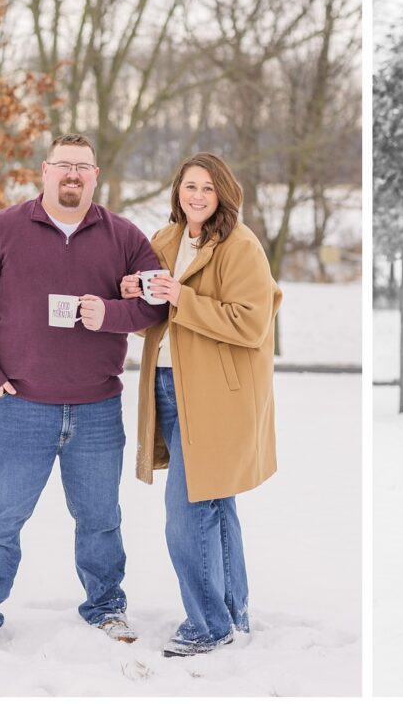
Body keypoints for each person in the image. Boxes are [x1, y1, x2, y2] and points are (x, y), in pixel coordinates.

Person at [0, 133, 168, 645]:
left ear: (95, 176)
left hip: (96, 409)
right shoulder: (1, 230)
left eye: (83, 167)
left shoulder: (125, 237)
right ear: (45, 171)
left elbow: (158, 304)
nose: (73, 174)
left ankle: (106, 606)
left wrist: (110, 313)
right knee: (1, 515)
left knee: (99, 518)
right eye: (64, 165)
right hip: (21, 406)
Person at [119, 152, 282, 657]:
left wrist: (180, 299)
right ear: (177, 191)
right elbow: (155, 319)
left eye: (207, 189)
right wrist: (135, 293)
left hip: (218, 395)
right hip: (168, 386)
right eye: (189, 186)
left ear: (223, 195)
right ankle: (231, 613)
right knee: (214, 500)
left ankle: (207, 625)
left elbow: (251, 322)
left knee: (187, 511)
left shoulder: (241, 246)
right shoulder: (165, 240)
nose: (196, 196)